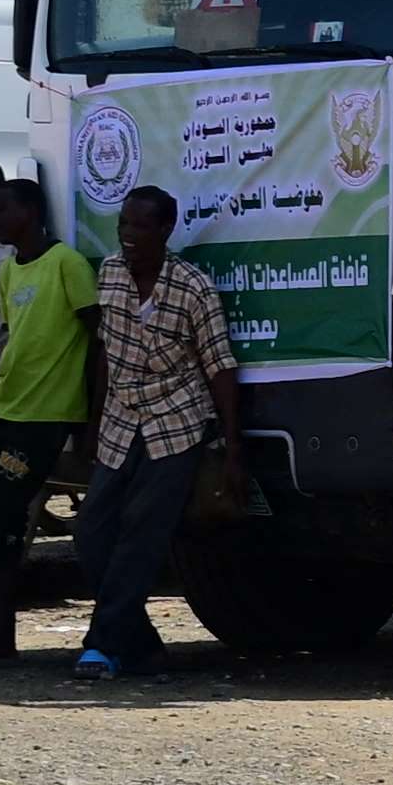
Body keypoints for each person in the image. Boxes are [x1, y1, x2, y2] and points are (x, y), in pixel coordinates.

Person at [69, 182, 237, 679]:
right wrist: (93, 421)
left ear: (165, 229)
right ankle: (141, 645)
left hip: (176, 419)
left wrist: (233, 449)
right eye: (123, 224)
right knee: (91, 532)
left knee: (142, 533)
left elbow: (220, 367)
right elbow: (103, 351)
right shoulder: (110, 275)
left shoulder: (192, 287)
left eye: (140, 226)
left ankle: (100, 645)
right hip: (122, 419)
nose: (128, 235)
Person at [0, 162, 95, 656]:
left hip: (45, 415)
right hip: (4, 408)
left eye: (2, 208)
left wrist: (89, 420)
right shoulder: (11, 269)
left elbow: (94, 340)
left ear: (30, 211)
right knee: (7, 527)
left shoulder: (67, 264)